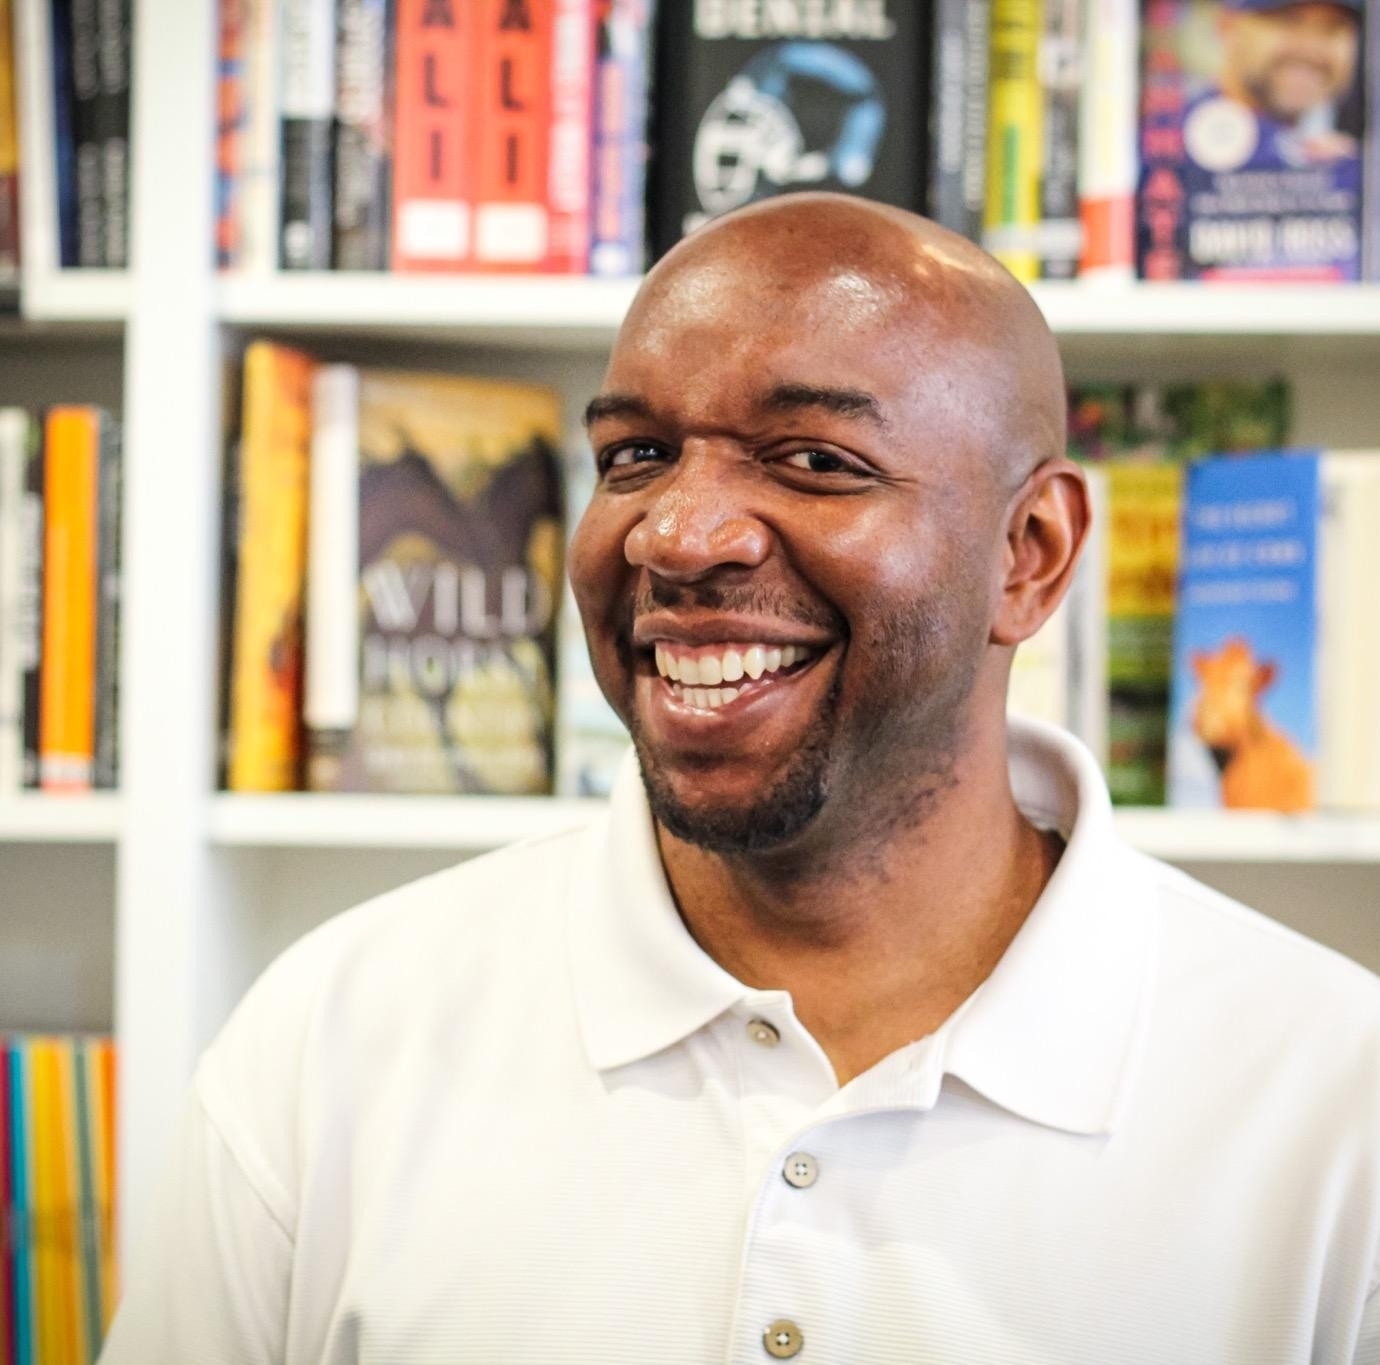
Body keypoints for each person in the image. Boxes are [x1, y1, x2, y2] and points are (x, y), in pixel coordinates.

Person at [100, 195, 1380, 1363]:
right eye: (636, 456)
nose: (678, 535)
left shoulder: (1335, 1099)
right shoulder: (333, 1038)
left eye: (815, 460)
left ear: (1030, 557)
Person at [1185, 0, 1363, 172]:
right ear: (1226, 26)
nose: (1311, 49)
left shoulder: (1349, 160)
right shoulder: (1174, 145)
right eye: (1288, 21)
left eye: (1333, 28)